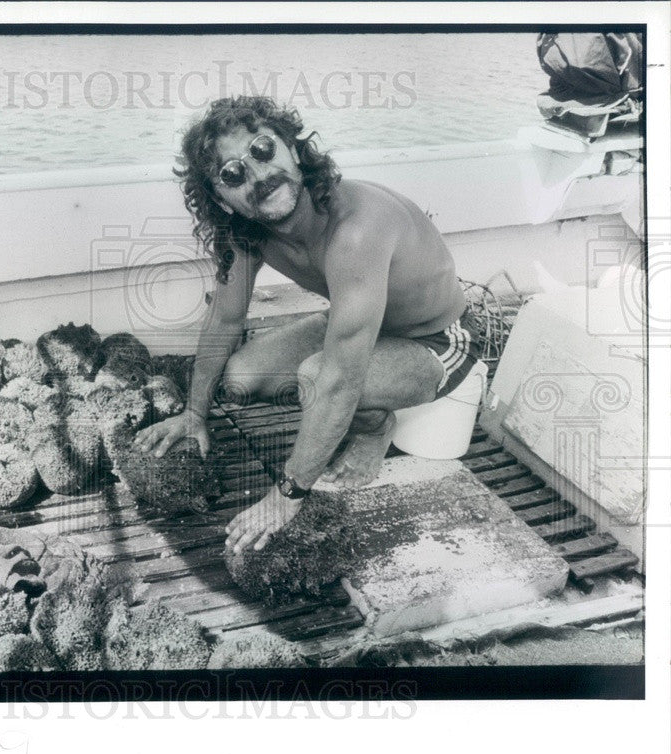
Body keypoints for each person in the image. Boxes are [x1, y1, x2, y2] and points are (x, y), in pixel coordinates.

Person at [134, 96, 480, 554]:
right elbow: (225, 316)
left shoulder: (355, 227)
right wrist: (195, 415)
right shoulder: (249, 233)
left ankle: (374, 427)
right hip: (354, 320)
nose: (258, 176)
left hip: (436, 339)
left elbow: (336, 382)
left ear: (293, 150)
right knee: (239, 379)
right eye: (233, 174)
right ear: (223, 199)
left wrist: (287, 495)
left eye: (262, 149)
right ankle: (371, 409)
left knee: (317, 377)